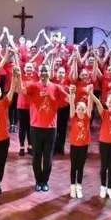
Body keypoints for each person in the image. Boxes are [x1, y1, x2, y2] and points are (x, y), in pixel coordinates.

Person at [18, 64, 69, 192]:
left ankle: (45, 181)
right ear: (38, 72)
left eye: (46, 70)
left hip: (51, 128)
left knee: (48, 157)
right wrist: (18, 76)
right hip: (36, 127)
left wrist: (73, 94)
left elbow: (68, 99)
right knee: (36, 157)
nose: (44, 72)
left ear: (49, 72)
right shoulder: (34, 86)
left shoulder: (56, 87)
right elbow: (21, 90)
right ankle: (37, 180)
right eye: (42, 70)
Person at [68, 84, 93, 199]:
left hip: (83, 146)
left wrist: (90, 93)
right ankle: (72, 186)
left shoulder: (87, 117)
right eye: (79, 109)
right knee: (74, 166)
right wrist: (72, 94)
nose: (81, 111)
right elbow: (72, 104)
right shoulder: (73, 117)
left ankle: (79, 186)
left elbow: (90, 104)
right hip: (74, 145)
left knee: (80, 167)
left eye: (83, 109)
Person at [16, 62, 38, 156]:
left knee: (30, 127)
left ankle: (30, 146)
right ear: (24, 69)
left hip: (32, 106)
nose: (29, 69)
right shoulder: (21, 77)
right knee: (22, 127)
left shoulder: (36, 78)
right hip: (21, 106)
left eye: (30, 67)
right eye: (27, 67)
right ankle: (21, 147)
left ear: (33, 69)